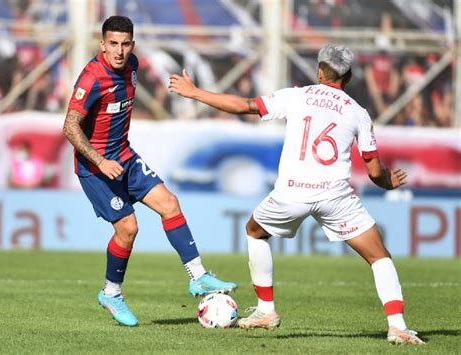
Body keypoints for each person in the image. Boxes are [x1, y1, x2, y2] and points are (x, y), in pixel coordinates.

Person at [169, 45, 424, 345]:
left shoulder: (297, 95)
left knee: (254, 231)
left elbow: (245, 105)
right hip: (335, 196)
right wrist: (389, 182)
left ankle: (266, 310)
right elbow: (373, 170)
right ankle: (397, 327)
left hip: (292, 192)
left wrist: (195, 92)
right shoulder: (358, 112)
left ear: (319, 71)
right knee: (379, 256)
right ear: (350, 76)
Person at [63, 16, 236, 327]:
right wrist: (100, 161)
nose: (119, 51)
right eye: (112, 44)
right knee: (128, 228)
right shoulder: (91, 78)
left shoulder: (132, 66)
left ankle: (198, 276)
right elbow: (70, 126)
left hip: (125, 157)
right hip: (95, 167)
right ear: (102, 44)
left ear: (133, 45)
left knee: (169, 204)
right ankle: (111, 292)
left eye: (125, 44)